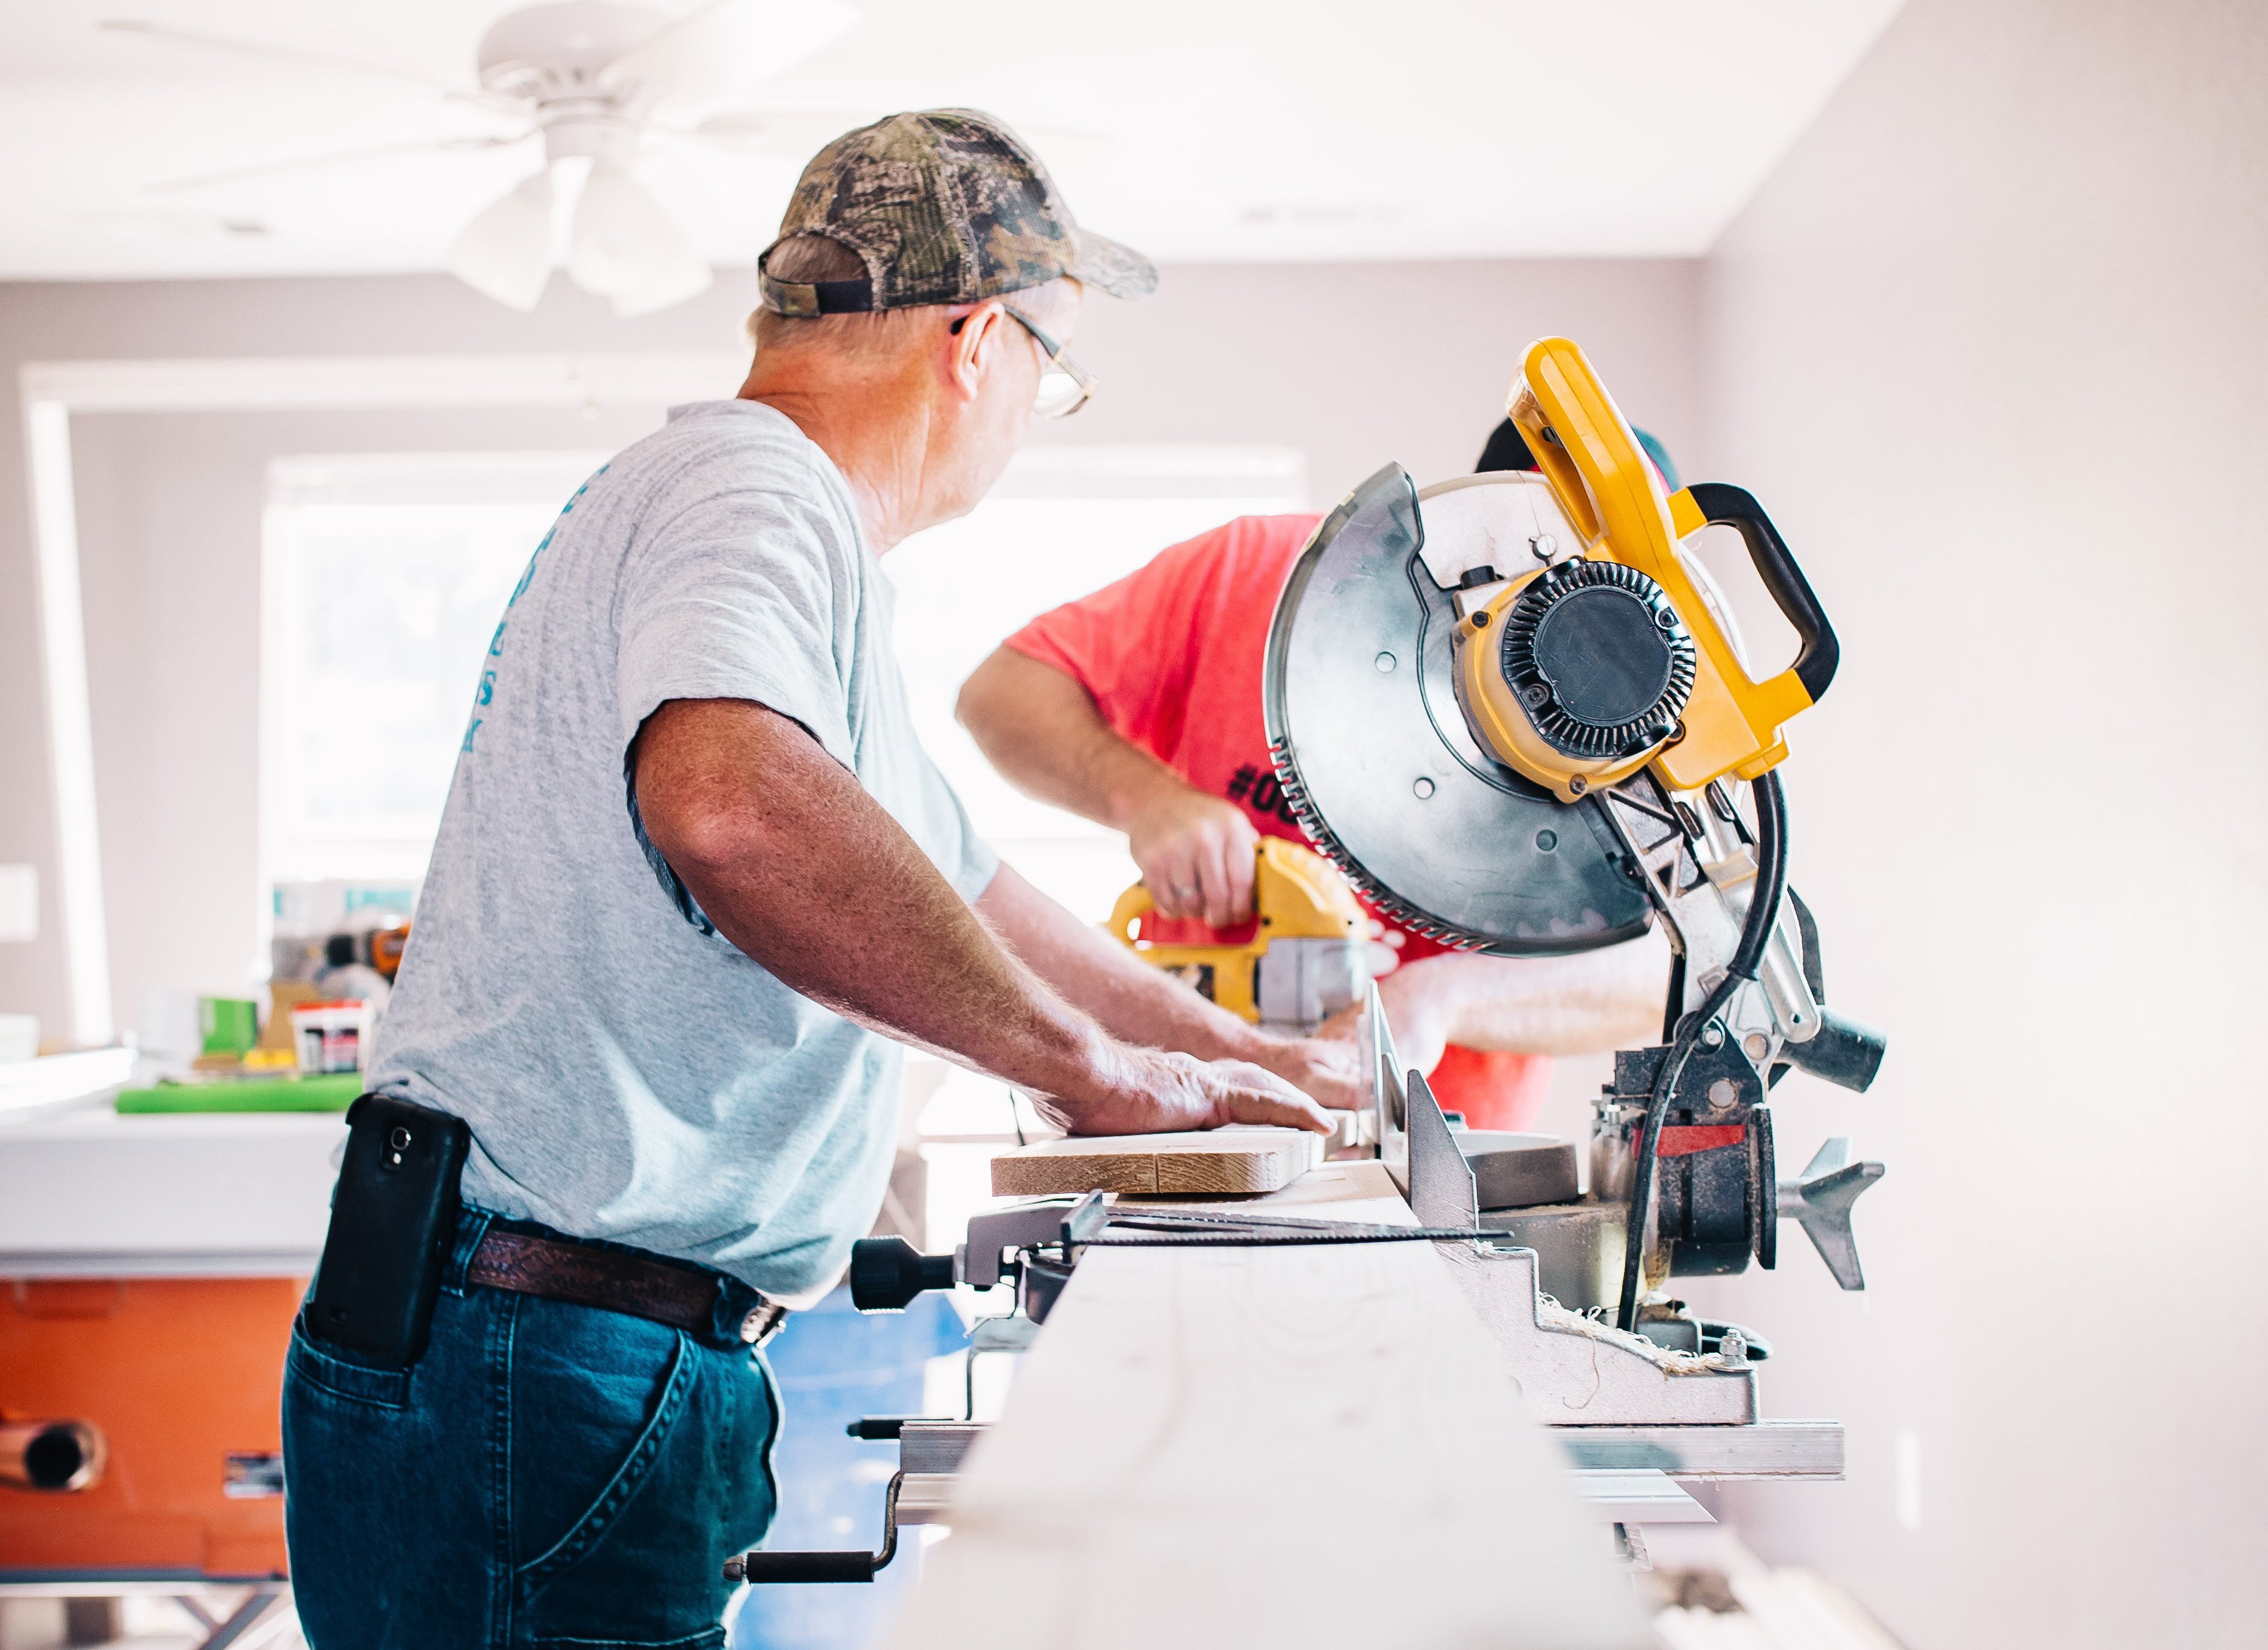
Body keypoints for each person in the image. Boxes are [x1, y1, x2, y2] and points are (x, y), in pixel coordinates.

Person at [280, 109, 1354, 1650]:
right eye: (1051, 367)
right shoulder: (754, 488)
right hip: (542, 1344)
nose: (1033, 408)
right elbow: (731, 810)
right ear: (976, 342)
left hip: (540, 1335)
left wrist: (1227, 1055)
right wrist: (1087, 1071)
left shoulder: (765, 532)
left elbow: (971, 888)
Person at [956, 422, 1682, 1131]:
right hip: (1191, 1110)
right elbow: (1000, 694)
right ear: (1464, 520)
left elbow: (1670, 971)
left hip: (1441, 1153)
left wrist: (1444, 996)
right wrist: (1146, 798)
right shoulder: (1254, 573)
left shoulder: (1646, 723)